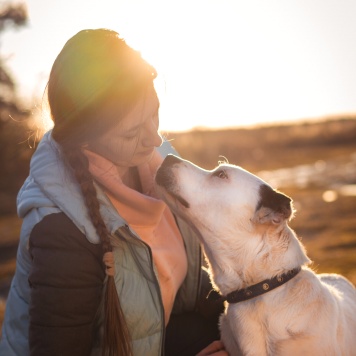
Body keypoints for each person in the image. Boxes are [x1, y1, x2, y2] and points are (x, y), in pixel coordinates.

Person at [0, 29, 228, 356]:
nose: (154, 139)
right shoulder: (61, 232)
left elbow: (175, 282)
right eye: (132, 132)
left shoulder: (151, 163)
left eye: (154, 113)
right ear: (85, 140)